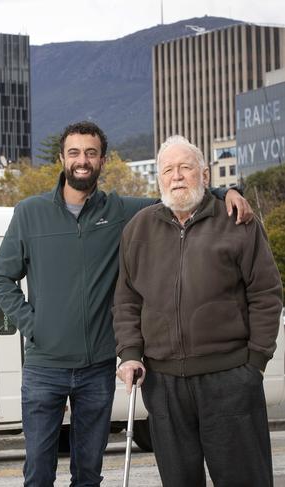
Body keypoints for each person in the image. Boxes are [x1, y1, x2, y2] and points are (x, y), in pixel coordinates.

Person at [0, 121, 253, 487]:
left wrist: (228, 192)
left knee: (88, 475)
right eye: (75, 153)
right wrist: (34, 326)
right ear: (62, 159)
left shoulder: (122, 211)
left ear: (102, 160)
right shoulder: (29, 212)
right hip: (44, 368)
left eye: (91, 153)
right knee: (37, 473)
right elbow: (0, 277)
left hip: (98, 367)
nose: (83, 160)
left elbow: (179, 193)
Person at [114, 135, 282, 487]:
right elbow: (128, 300)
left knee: (244, 480)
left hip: (230, 377)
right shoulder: (138, 229)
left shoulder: (237, 221)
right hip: (163, 384)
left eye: (186, 168)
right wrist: (130, 354)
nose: (176, 177)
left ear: (204, 174)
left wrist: (254, 363)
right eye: (168, 170)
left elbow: (266, 293)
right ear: (158, 178)